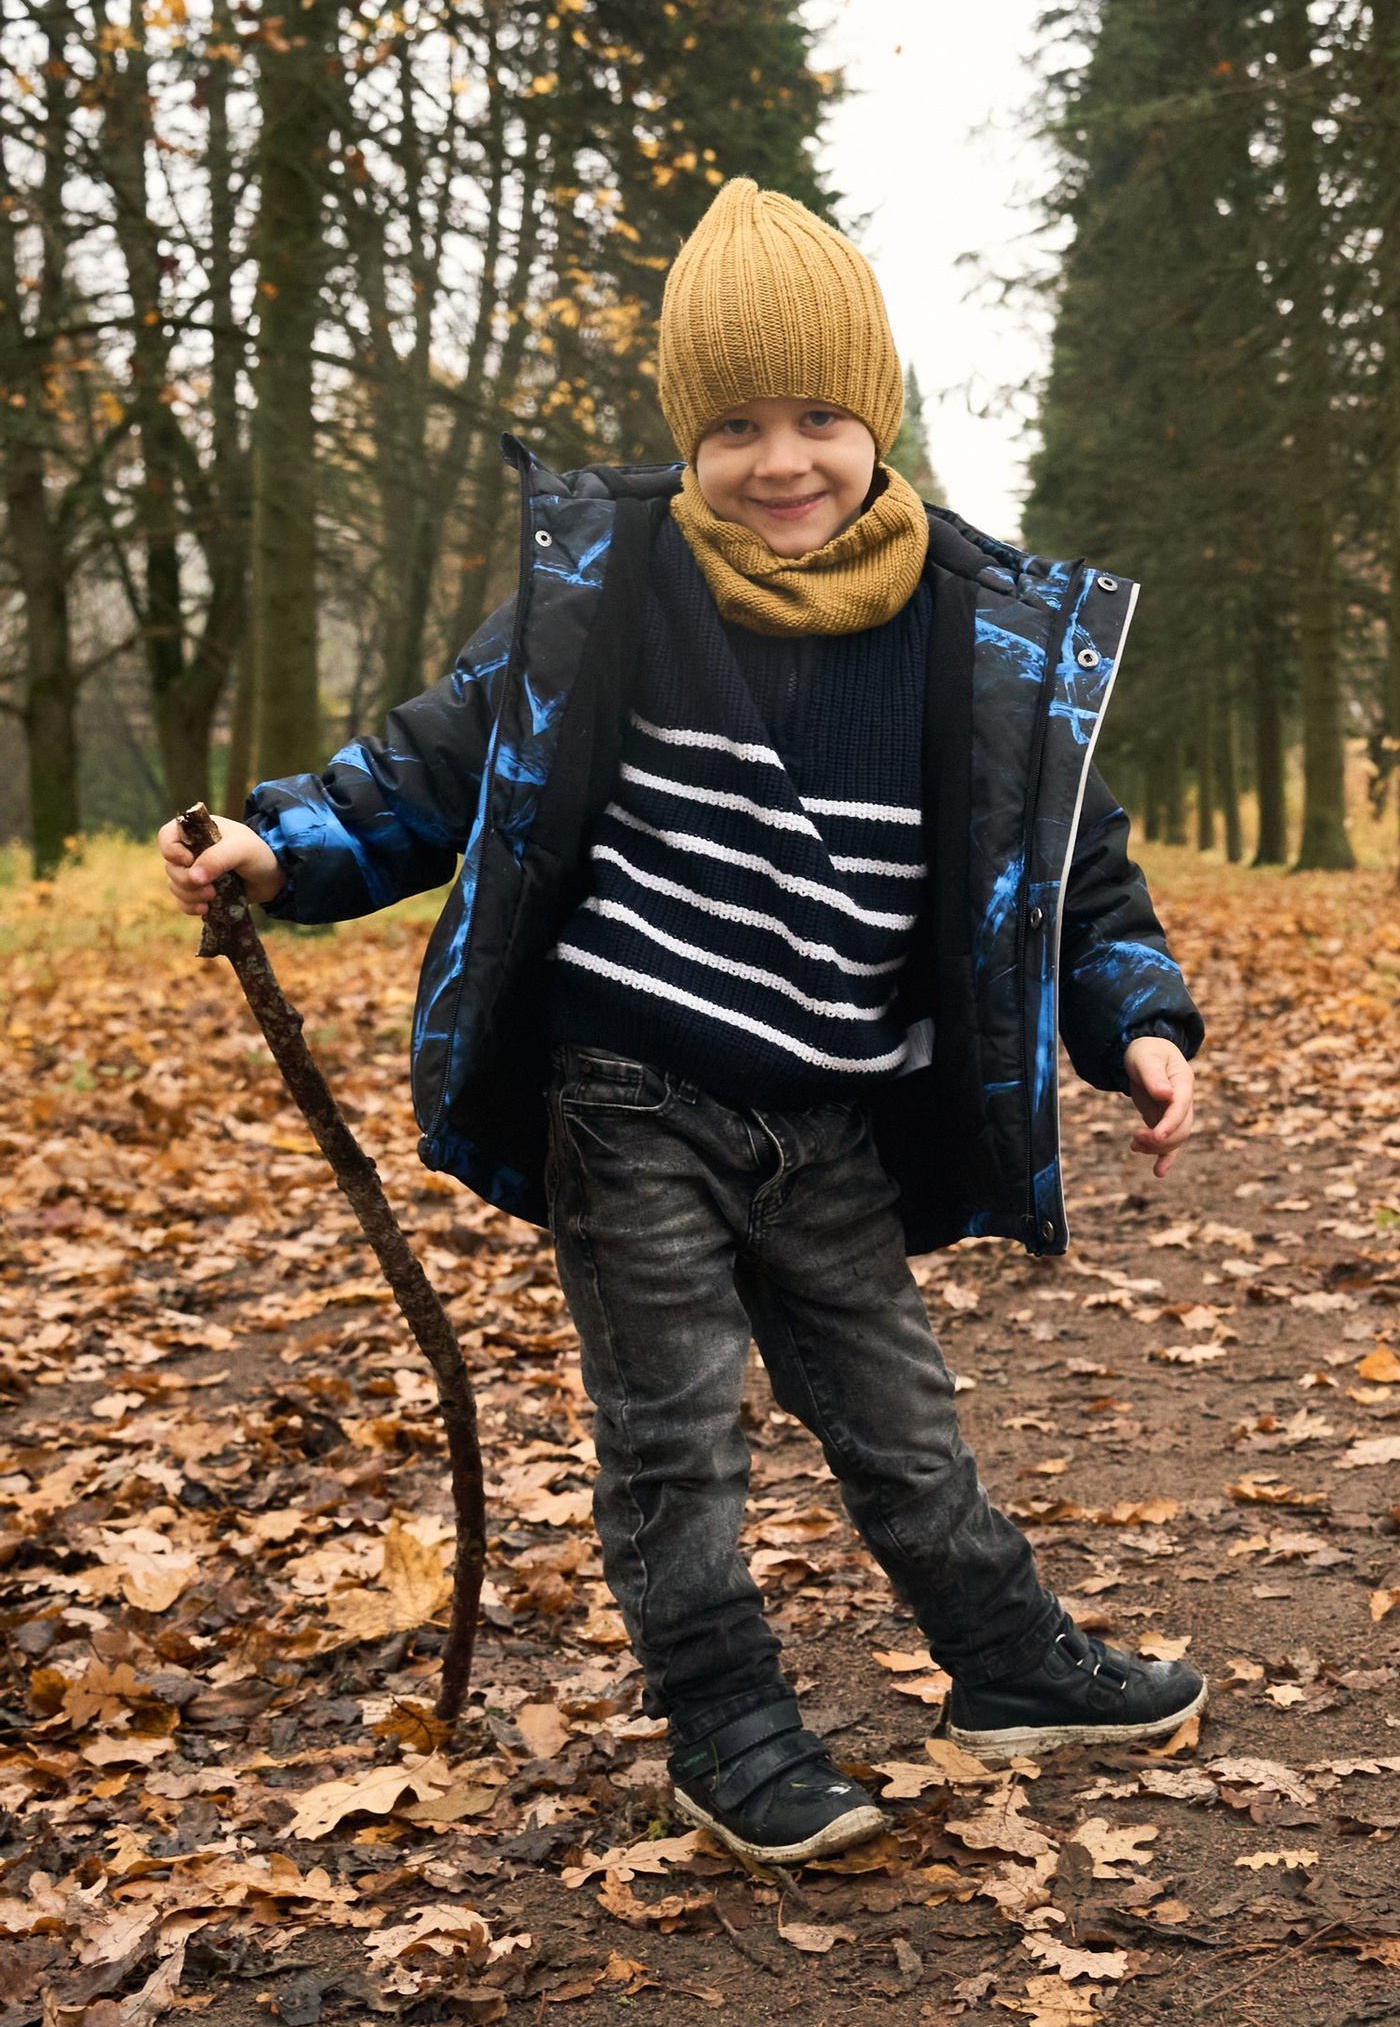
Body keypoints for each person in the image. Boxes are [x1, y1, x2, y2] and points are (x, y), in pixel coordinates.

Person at [162, 178, 1209, 1862]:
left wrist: (1136, 1018)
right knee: (674, 1433)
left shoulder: (977, 631)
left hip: (837, 1114)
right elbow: (438, 764)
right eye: (734, 425)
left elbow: (1069, 871)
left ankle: (1010, 1661)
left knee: (901, 1417)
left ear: (875, 417)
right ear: (685, 437)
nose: (779, 461)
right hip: (631, 1089)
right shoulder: (608, 596)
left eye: (817, 418)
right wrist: (278, 845)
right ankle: (724, 1721)